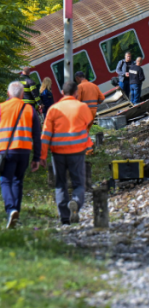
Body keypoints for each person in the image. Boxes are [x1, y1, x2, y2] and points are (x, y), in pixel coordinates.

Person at [40, 80, 93, 225]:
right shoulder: (82, 107)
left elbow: (45, 134)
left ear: (62, 93)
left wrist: (42, 155)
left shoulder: (53, 109)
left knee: (60, 183)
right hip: (77, 150)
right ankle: (75, 202)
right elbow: (88, 122)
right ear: (76, 93)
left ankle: (64, 218)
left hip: (58, 152)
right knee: (79, 183)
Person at [0, 82, 42, 229]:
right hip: (24, 150)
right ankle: (15, 216)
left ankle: (11, 209)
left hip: (5, 150)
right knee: (18, 181)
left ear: (8, 93)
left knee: (5, 180)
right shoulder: (29, 109)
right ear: (22, 94)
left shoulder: (1, 108)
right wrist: (37, 157)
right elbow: (37, 135)